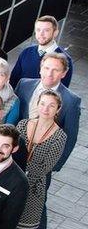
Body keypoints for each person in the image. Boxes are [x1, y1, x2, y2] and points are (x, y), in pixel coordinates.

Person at [7, 90, 67, 229]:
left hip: (35, 188)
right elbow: (12, 151)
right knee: (9, 224)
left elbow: (46, 167)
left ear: (58, 109)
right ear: (37, 104)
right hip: (14, 184)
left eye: (51, 105)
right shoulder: (23, 125)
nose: (46, 109)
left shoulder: (59, 137)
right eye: (43, 104)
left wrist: (20, 172)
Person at [11, 54, 80, 193]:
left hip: (41, 163)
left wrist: (54, 166)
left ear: (64, 73)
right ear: (40, 68)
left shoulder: (71, 100)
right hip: (15, 156)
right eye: (46, 68)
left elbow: (70, 136)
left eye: (56, 70)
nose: (49, 73)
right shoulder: (24, 84)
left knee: (34, 204)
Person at [9, 15, 74, 88]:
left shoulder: (66, 60)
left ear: (55, 32)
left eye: (46, 30)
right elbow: (13, 81)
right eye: (38, 30)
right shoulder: (26, 52)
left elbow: (61, 90)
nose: (41, 34)